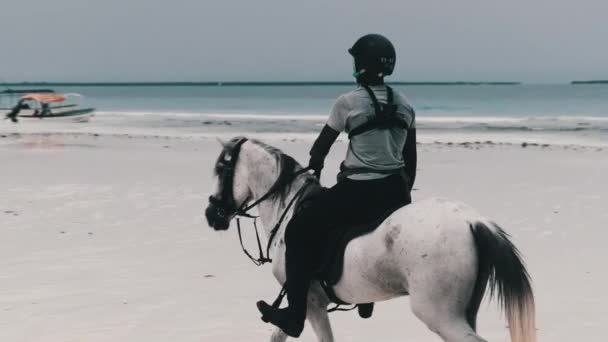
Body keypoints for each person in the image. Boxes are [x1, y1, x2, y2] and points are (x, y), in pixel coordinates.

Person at [256, 33, 417, 337]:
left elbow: (320, 149)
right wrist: (402, 194)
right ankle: (365, 298)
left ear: (361, 66)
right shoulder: (406, 105)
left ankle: (293, 315)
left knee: (299, 230)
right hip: (396, 193)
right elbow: (411, 161)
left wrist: (314, 169)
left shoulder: (347, 102)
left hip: (358, 191)